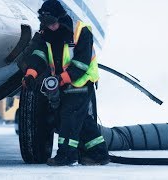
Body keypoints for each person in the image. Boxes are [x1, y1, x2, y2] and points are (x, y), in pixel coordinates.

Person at [22, 0, 109, 166]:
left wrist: (60, 79)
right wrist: (30, 75)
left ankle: (66, 156)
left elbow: (81, 64)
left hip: (81, 82)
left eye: (54, 23)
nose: (52, 27)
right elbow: (38, 56)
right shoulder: (45, 34)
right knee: (81, 120)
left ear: (61, 18)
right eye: (48, 24)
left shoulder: (80, 31)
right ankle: (99, 154)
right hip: (64, 83)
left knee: (68, 118)